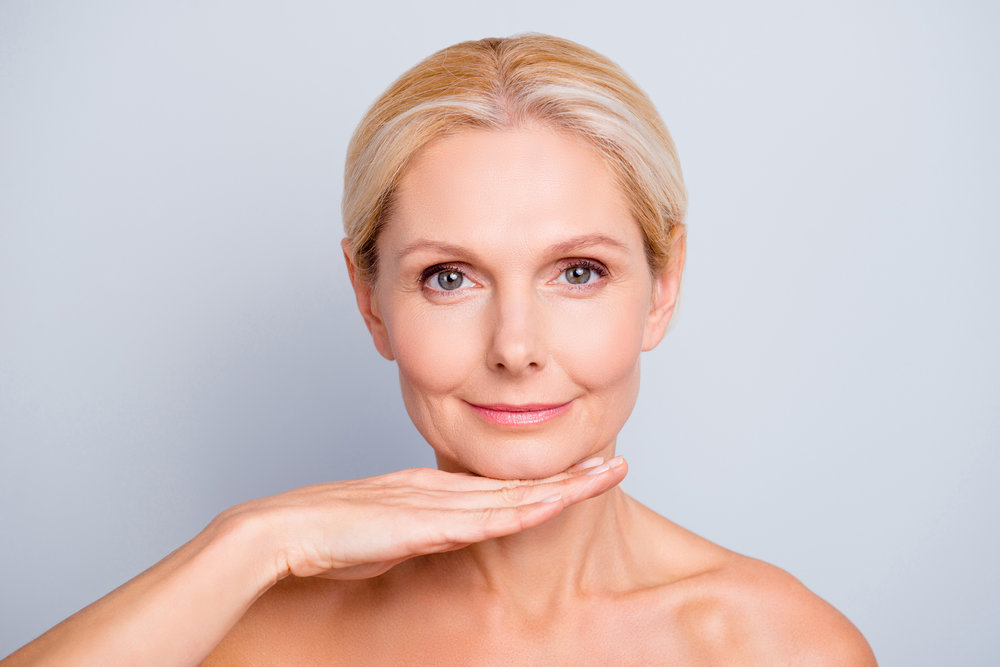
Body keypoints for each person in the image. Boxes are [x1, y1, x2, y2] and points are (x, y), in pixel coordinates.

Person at [2, 34, 876, 665]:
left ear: (665, 283)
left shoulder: (780, 646)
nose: (517, 346)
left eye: (578, 271)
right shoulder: (252, 634)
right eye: (450, 278)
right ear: (368, 301)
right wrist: (251, 541)